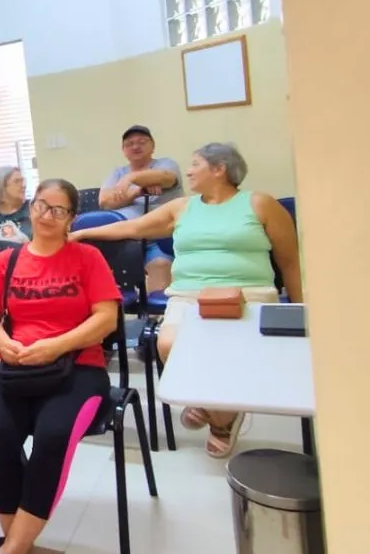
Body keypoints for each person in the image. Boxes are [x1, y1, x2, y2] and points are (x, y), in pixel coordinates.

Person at [72, 143, 302, 458]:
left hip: (249, 296)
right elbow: (134, 227)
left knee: (227, 352)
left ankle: (212, 412)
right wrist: (83, 234)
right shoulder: (182, 207)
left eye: (196, 164)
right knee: (167, 345)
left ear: (219, 169)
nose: (189, 171)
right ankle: (224, 416)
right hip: (188, 296)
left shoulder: (260, 204)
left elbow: (289, 261)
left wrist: (301, 311)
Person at [0, 179, 120, 554]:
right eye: (41, 205)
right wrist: (6, 343)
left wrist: (55, 346)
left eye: (58, 209)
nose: (46, 215)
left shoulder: (86, 257)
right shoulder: (9, 260)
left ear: (72, 217)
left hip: (77, 367)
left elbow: (106, 318)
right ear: (30, 207)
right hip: (15, 365)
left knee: (53, 436)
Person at [98, 125, 184, 291]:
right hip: (124, 238)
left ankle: (157, 314)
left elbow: (166, 178)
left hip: (158, 238)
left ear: (153, 146)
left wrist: (130, 179)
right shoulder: (117, 173)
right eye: (129, 144)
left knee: (160, 264)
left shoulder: (166, 164)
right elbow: (105, 202)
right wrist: (137, 191)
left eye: (142, 142)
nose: (135, 147)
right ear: (123, 150)